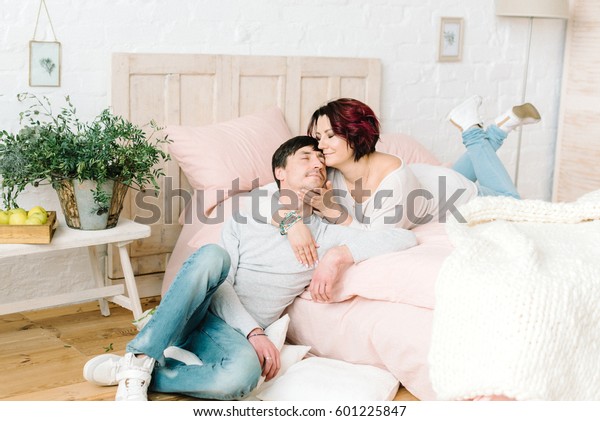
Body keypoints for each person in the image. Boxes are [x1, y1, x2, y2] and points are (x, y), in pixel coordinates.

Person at [81, 135, 417, 401]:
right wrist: (253, 332)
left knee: (240, 380)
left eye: (321, 162)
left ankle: (141, 372)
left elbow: (401, 238)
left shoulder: (324, 234)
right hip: (202, 308)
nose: (317, 164)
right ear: (280, 173)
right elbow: (221, 281)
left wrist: (338, 255)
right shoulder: (252, 207)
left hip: (224, 335)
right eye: (306, 157)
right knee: (213, 255)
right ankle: (140, 356)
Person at [283, 96, 540, 267]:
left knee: (513, 204)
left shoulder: (392, 180)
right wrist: (292, 223)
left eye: (330, 135)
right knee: (452, 175)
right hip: (432, 180)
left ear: (355, 134)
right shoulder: (329, 170)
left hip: (457, 195)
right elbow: (278, 192)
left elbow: (379, 239)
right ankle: (498, 129)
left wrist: (337, 214)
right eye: (317, 137)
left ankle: (471, 129)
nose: (320, 146)